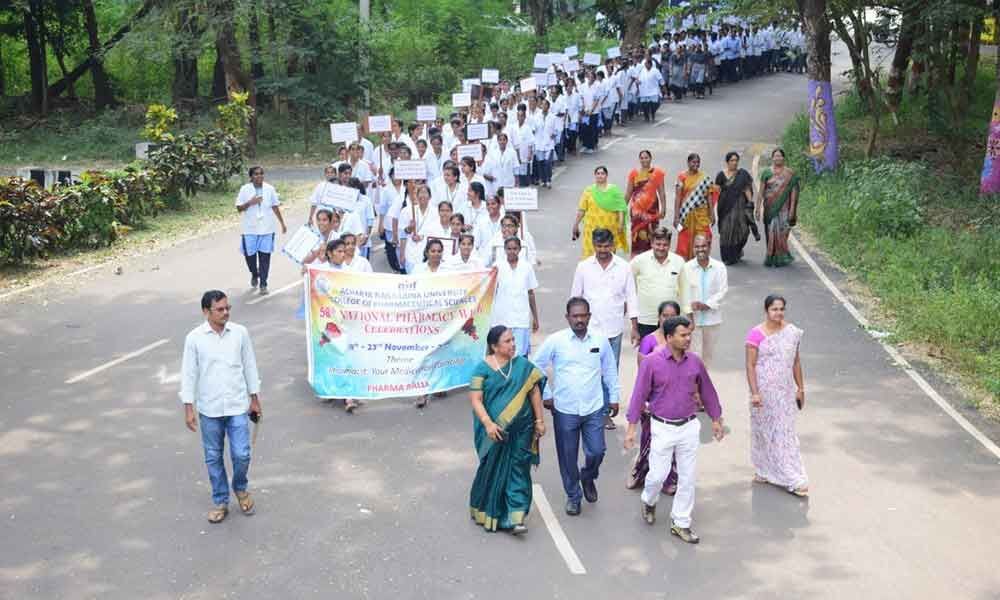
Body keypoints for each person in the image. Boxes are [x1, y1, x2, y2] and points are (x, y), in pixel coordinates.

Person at [624, 316, 724, 544]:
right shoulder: (651, 363)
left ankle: (681, 523)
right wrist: (631, 429)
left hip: (689, 427)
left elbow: (708, 391)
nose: (688, 339)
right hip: (663, 428)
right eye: (683, 335)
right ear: (669, 337)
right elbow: (639, 395)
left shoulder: (695, 362)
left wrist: (716, 419)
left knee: (687, 478)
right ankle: (649, 500)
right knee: (657, 476)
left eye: (689, 335)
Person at [180, 290, 262, 523]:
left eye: (228, 308)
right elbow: (189, 374)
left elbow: (249, 365)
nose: (225, 312)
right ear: (206, 312)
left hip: (237, 405)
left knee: (242, 454)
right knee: (213, 456)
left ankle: (240, 487)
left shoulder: (240, 333)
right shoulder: (194, 338)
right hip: (209, 409)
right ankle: (220, 500)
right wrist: (188, 407)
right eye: (220, 309)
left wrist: (254, 397)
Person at [533, 297, 620, 516]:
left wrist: (614, 397)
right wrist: (546, 393)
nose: (579, 320)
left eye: (583, 315)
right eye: (575, 316)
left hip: (593, 408)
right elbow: (535, 366)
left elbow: (609, 370)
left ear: (589, 317)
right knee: (568, 456)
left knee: (597, 451)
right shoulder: (556, 341)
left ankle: (588, 477)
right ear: (568, 318)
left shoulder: (600, 341)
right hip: (565, 409)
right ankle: (573, 495)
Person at [468, 326, 546, 534]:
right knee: (491, 469)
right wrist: (488, 423)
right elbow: (476, 399)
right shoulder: (481, 369)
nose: (513, 344)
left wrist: (539, 420)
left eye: (513, 340)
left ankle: (516, 516)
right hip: (494, 432)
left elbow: (534, 392)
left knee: (519, 468)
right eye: (507, 341)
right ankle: (488, 509)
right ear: (494, 346)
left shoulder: (522, 366)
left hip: (523, 430)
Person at [570, 228, 639, 430]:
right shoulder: (583, 267)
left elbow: (632, 297)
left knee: (610, 372)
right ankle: (589, 411)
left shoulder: (624, 268)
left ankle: (606, 413)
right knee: (589, 370)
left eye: (606, 246)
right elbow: (575, 297)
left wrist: (634, 327)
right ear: (593, 245)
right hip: (588, 331)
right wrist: (574, 327)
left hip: (613, 329)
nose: (602, 250)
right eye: (599, 246)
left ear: (613, 245)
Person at [745, 294, 809, 497]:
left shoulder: (791, 333)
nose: (778, 313)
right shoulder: (756, 334)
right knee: (763, 431)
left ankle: (791, 476)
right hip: (764, 391)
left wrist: (800, 388)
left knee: (784, 432)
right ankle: (763, 469)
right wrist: (755, 392)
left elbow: (796, 362)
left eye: (781, 309)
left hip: (785, 391)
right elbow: (750, 365)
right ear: (766, 311)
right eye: (774, 309)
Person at [628, 300, 682, 493]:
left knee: (672, 443)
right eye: (664, 315)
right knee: (649, 439)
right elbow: (643, 373)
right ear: (658, 317)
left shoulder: (682, 340)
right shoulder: (649, 340)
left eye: (672, 316)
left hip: (674, 402)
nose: (667, 319)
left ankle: (669, 480)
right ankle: (640, 473)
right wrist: (643, 401)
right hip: (652, 401)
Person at [236, 166, 286, 295]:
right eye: (256, 174)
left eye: (261, 174)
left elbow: (275, 206)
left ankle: (263, 283)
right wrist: (250, 203)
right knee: (250, 257)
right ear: (251, 177)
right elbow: (239, 208)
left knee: (265, 257)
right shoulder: (244, 189)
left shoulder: (269, 189)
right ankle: (254, 273)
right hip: (250, 229)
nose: (259, 176)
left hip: (267, 229)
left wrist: (282, 223)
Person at [681, 234, 728, 367]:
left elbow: (722, 291)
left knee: (707, 359)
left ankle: (702, 386)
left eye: (703, 246)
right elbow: (683, 294)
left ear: (709, 247)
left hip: (712, 321)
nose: (700, 249)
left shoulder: (719, 268)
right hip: (692, 322)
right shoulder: (687, 268)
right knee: (692, 357)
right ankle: (692, 386)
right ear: (693, 248)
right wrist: (689, 317)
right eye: (697, 247)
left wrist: (705, 305)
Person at [630, 227, 685, 339]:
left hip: (671, 321)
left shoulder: (679, 262)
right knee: (646, 355)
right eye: (658, 244)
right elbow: (628, 283)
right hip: (646, 319)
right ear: (652, 243)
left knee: (671, 355)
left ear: (669, 245)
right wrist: (634, 325)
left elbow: (685, 291)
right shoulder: (639, 260)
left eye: (665, 244)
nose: (661, 248)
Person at [491, 237, 540, 356]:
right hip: (501, 318)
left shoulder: (527, 267)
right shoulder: (497, 266)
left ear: (519, 249)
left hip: (520, 319)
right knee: (502, 354)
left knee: (519, 355)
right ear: (504, 249)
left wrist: (535, 318)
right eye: (509, 249)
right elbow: (491, 291)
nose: (511, 251)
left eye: (515, 248)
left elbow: (530, 293)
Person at [755, 148, 799, 267]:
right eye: (775, 156)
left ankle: (781, 256)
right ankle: (771, 256)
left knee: (783, 233)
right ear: (772, 158)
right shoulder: (766, 173)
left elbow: (794, 193)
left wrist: (793, 210)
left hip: (784, 209)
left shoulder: (790, 174)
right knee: (770, 232)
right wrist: (758, 208)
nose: (777, 158)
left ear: (783, 158)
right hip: (769, 208)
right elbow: (761, 192)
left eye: (780, 156)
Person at [572, 166, 628, 258]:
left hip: (610, 227)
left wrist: (621, 224)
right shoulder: (588, 191)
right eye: (598, 173)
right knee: (590, 255)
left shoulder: (614, 190)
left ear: (606, 176)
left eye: (602, 173)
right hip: (592, 228)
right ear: (595, 175)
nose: (600, 175)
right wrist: (576, 224)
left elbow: (621, 208)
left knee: (608, 254)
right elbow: (582, 209)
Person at [715, 152, 758, 265]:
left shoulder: (742, 174)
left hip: (740, 206)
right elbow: (716, 191)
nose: (734, 163)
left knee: (743, 231)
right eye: (732, 160)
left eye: (736, 160)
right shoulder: (721, 175)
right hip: (725, 208)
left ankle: (738, 251)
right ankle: (727, 257)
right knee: (725, 232)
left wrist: (750, 204)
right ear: (727, 162)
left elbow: (748, 190)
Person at [673, 153, 715, 261]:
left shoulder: (705, 178)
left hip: (701, 215)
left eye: (698, 162)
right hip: (686, 215)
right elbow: (678, 198)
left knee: (704, 237)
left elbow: (709, 197)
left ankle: (701, 260)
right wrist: (676, 217)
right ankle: (685, 262)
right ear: (688, 163)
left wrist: (712, 214)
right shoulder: (681, 177)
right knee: (685, 240)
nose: (696, 164)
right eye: (693, 162)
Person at [626, 150, 667, 257]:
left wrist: (664, 208)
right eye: (642, 158)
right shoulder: (634, 173)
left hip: (652, 210)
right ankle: (636, 259)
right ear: (639, 159)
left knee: (652, 234)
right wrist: (621, 209)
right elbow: (628, 193)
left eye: (646, 157)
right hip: (637, 211)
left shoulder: (657, 173)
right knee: (636, 234)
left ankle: (652, 258)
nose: (644, 160)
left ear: (650, 158)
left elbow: (662, 192)